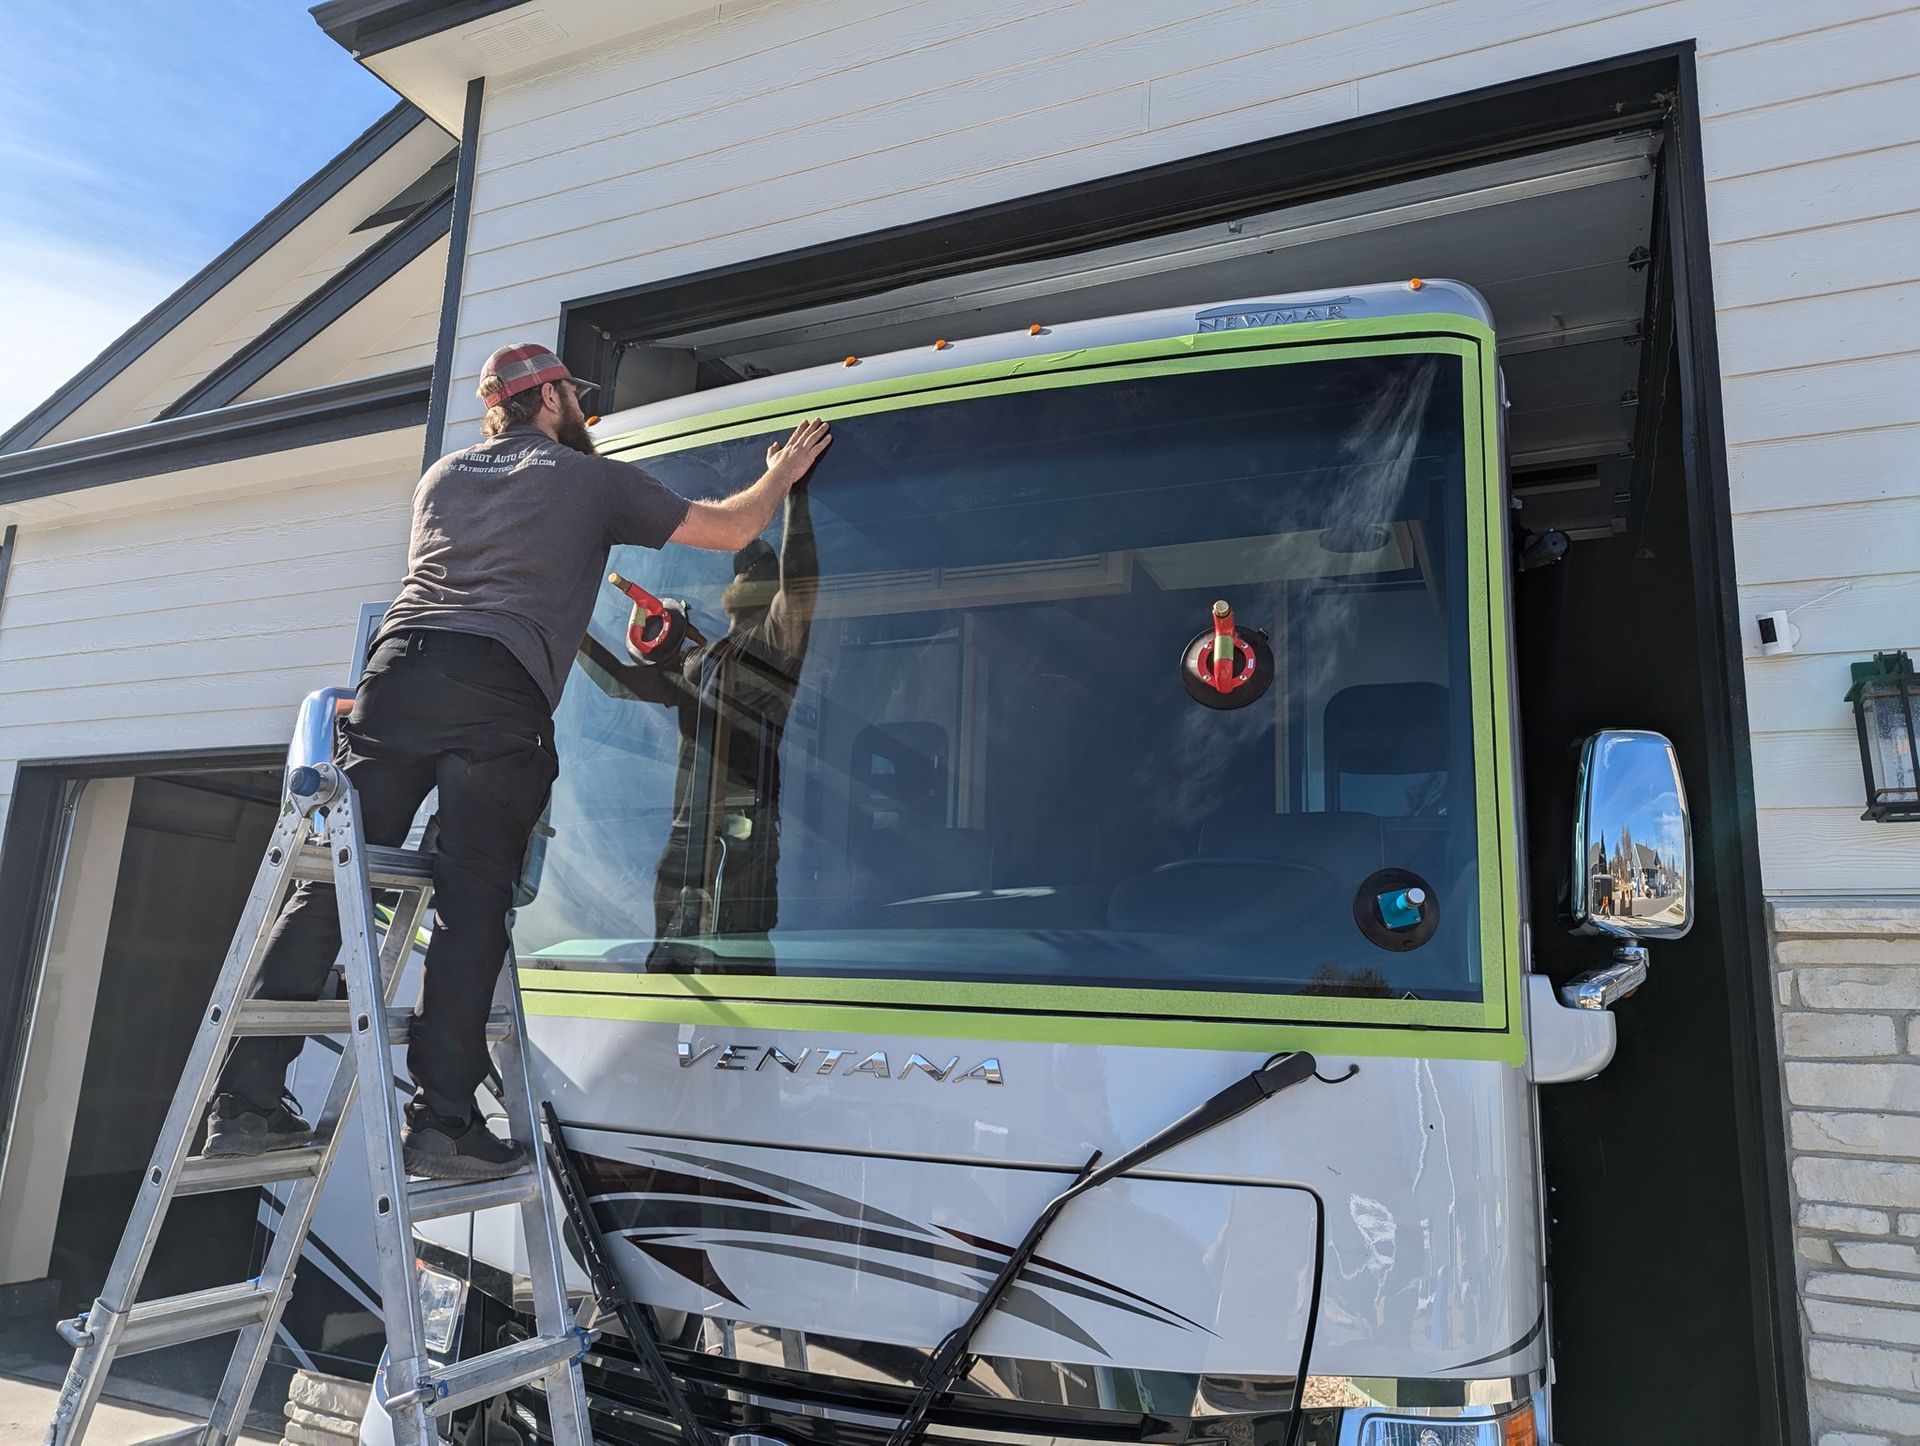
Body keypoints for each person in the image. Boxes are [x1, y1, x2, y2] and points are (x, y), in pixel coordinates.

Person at [203, 342, 831, 1180]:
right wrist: (782, 474)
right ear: (548, 401)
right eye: (575, 396)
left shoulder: (444, 476)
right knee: (469, 901)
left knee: (333, 888)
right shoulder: (586, 479)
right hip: (494, 695)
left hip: (395, 676)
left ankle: (239, 1106)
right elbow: (730, 530)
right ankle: (444, 1124)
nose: (583, 410)